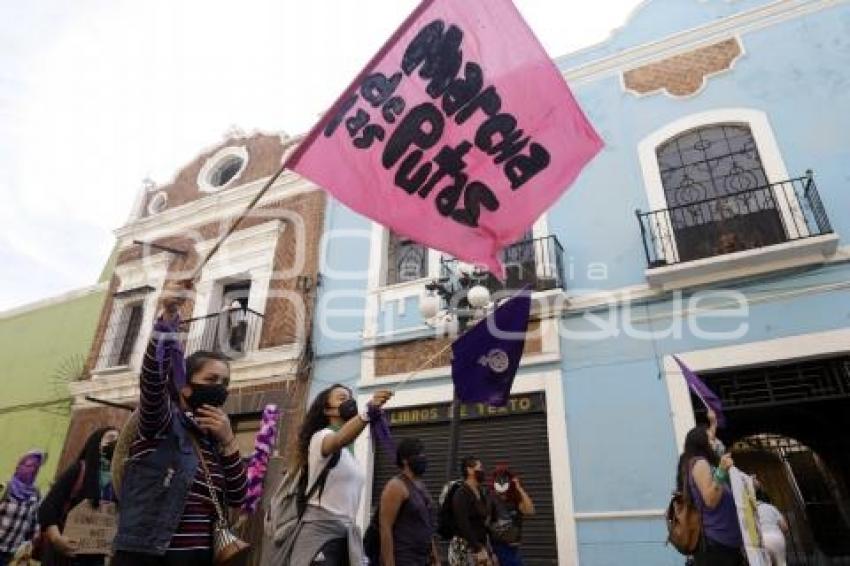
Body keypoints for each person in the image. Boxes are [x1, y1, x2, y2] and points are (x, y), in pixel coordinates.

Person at [112, 280, 248, 566]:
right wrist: (168, 317)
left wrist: (229, 441)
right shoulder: (161, 422)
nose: (220, 387)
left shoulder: (214, 437)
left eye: (225, 382)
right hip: (151, 555)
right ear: (185, 386)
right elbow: (152, 381)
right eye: (211, 380)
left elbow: (238, 496)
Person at [289, 384, 393, 566]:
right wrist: (367, 413)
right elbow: (338, 439)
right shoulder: (320, 437)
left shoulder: (349, 454)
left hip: (345, 535)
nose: (349, 402)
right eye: (342, 398)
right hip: (320, 534)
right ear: (327, 410)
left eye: (351, 398)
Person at [39, 428, 119, 566]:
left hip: (93, 559)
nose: (115, 443)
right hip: (63, 556)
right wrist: (57, 539)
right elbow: (48, 507)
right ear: (96, 443)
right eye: (110, 438)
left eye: (118, 439)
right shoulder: (78, 470)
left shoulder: (118, 480)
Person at [676, 427, 743, 565]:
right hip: (716, 545)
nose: (715, 442)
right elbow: (710, 500)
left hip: (725, 543)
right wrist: (722, 471)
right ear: (702, 441)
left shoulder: (709, 465)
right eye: (711, 439)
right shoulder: (700, 463)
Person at [378, 438, 439, 566]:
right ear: (405, 460)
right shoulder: (396, 486)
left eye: (423, 454)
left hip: (423, 559)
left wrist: (435, 557)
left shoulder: (421, 486)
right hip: (404, 558)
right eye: (418, 454)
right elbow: (385, 528)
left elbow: (426, 525)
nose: (423, 457)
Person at [0, 450, 45, 565]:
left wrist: (34, 537)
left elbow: (34, 521)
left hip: (11, 552)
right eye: (29, 465)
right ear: (19, 466)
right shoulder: (5, 488)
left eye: (37, 467)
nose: (33, 470)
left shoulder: (36, 494)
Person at [449, 457, 494, 566]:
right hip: (464, 548)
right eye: (480, 468)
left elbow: (483, 522)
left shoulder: (481, 492)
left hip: (480, 546)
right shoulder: (461, 493)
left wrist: (489, 551)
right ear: (469, 470)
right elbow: (463, 523)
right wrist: (477, 548)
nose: (483, 471)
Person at [487, 465, 535, 566]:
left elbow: (530, 510)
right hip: (499, 547)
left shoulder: (514, 499)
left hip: (514, 549)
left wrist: (519, 488)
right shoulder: (491, 499)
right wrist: (491, 553)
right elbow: (484, 527)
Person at [755, 484, 788, 566]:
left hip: (762, 540)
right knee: (781, 563)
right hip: (777, 538)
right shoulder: (772, 508)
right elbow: (785, 527)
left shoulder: (752, 511)